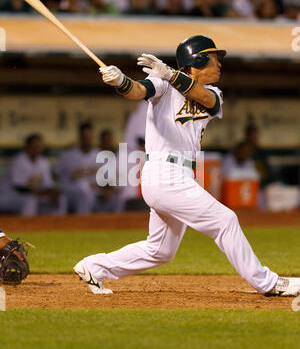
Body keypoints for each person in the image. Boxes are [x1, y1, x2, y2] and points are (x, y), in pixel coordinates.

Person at [74, 35, 300, 297]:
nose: (219, 64)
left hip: (179, 175)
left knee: (160, 251)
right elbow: (137, 90)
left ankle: (94, 266)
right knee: (225, 220)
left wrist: (170, 74)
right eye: (214, 59)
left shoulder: (213, 93)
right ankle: (268, 283)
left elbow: (205, 98)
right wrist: (119, 81)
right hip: (162, 173)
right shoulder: (163, 84)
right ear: (198, 60)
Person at [0, 133, 66, 216]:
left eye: (39, 147)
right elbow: (20, 188)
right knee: (30, 200)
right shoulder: (19, 161)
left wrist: (53, 192)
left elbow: (48, 184)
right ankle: (26, 227)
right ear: (27, 147)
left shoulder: (43, 161)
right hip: (11, 196)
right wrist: (42, 193)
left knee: (60, 198)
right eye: (34, 147)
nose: (37, 149)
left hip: (35, 195)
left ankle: (57, 226)